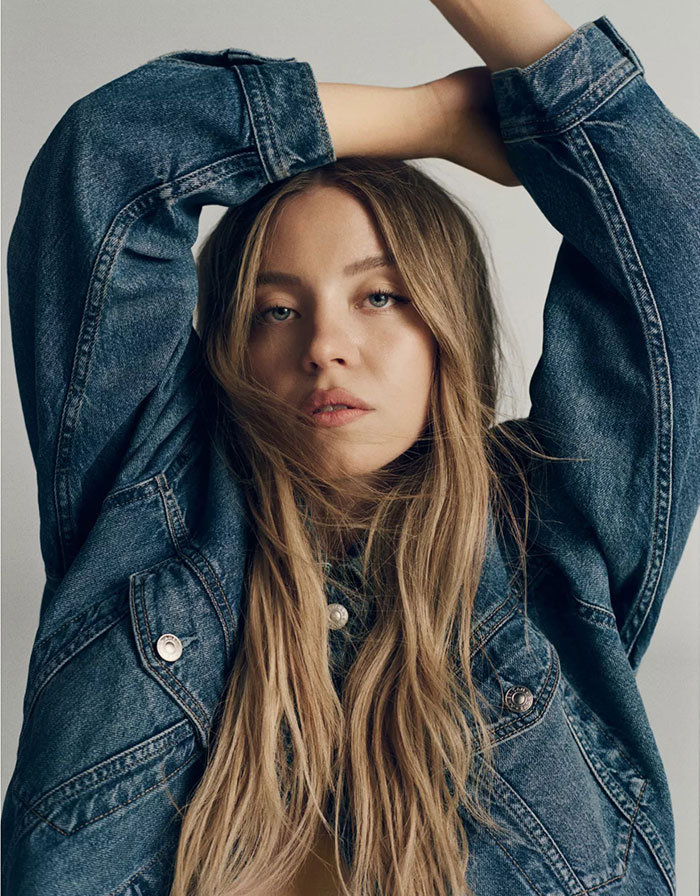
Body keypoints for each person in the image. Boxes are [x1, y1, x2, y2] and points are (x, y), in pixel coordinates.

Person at [2, 0, 699, 894]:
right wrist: (429, 120)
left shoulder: (551, 534)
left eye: (380, 297)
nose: (324, 345)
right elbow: (105, 163)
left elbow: (673, 245)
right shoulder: (147, 512)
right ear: (231, 350)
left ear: (449, 326)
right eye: (276, 310)